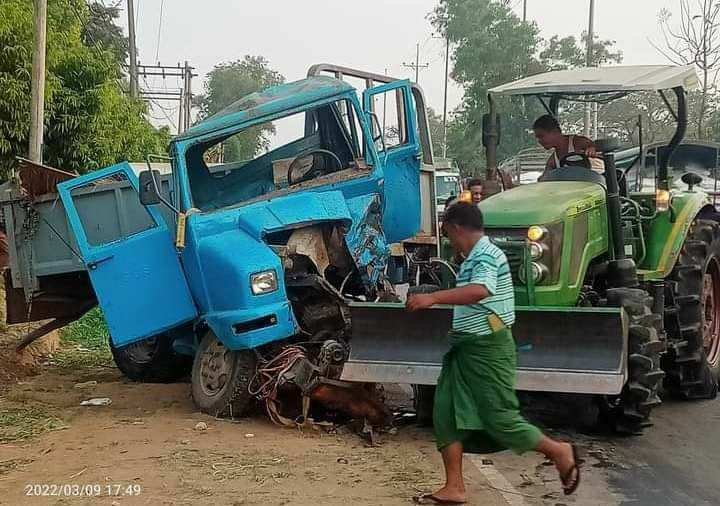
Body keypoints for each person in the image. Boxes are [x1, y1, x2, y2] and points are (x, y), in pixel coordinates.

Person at [406, 202, 580, 505]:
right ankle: (455, 486)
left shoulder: (486, 253)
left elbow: (480, 290)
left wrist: (432, 297)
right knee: (445, 412)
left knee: (499, 418)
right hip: (466, 348)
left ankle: (558, 451)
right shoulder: (473, 257)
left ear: (457, 228)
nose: (451, 243)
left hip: (487, 350)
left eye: (449, 235)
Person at [533, 114, 602, 173]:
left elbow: (595, 146)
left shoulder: (578, 142)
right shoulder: (552, 161)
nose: (539, 141)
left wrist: (592, 149)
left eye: (541, 136)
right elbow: (545, 178)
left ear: (554, 132)